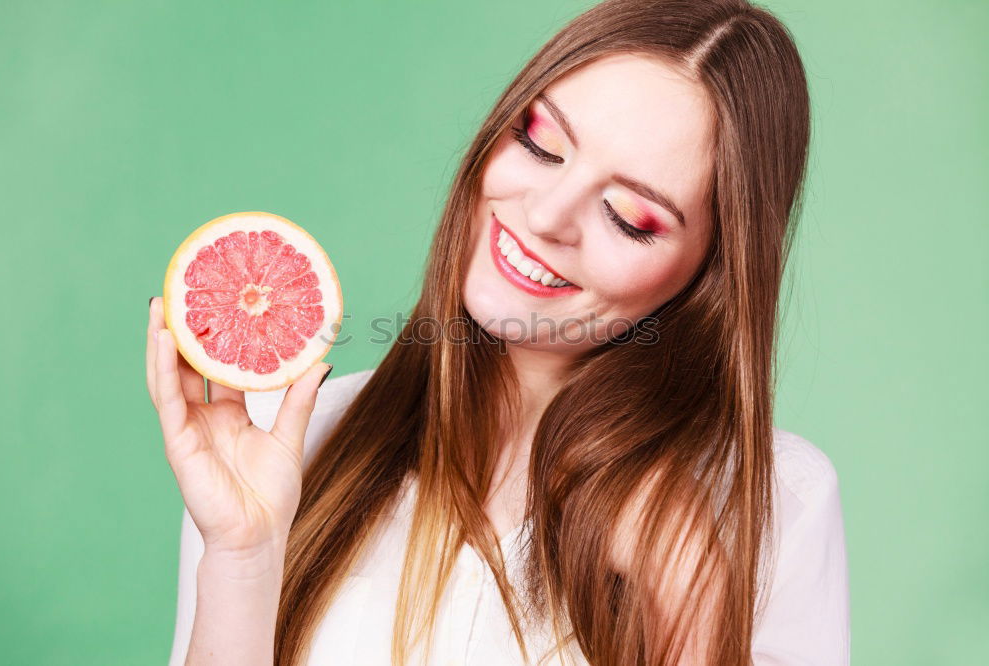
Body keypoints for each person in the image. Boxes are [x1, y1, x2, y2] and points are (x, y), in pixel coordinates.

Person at [148, 0, 850, 664]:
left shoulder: (774, 500)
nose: (547, 215)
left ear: (708, 275)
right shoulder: (286, 444)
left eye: (631, 217)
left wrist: (688, 602)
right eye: (542, 143)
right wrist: (242, 556)